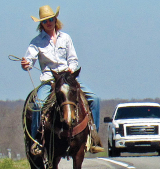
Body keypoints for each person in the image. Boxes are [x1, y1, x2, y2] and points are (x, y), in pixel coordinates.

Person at [21, 5, 103, 153]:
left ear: (55, 19)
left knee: (95, 99)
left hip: (67, 78)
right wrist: (26, 64)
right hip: (49, 81)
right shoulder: (36, 42)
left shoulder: (65, 38)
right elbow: (29, 61)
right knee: (38, 106)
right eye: (45, 21)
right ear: (41, 23)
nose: (49, 22)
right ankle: (36, 142)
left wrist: (71, 69)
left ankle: (93, 137)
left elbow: (73, 59)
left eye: (51, 19)